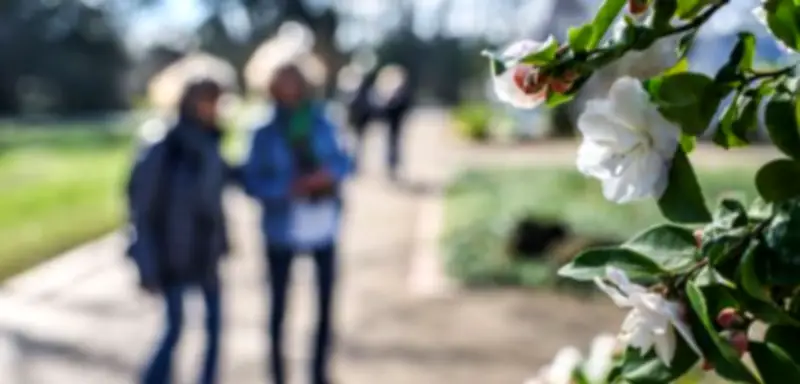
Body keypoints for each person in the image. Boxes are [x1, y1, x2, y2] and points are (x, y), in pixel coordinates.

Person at [241, 64, 351, 384]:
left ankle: (319, 374)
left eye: (295, 79)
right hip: (280, 228)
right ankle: (277, 375)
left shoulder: (323, 120)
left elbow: (345, 160)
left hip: (323, 224)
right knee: (278, 309)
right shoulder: (262, 129)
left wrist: (327, 175)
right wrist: (286, 188)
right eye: (282, 80)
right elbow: (251, 180)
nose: (289, 87)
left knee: (325, 309)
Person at [126, 79, 231, 384]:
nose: (212, 107)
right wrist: (146, 260)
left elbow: (221, 186)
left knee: (214, 329)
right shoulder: (163, 145)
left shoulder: (210, 142)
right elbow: (140, 209)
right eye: (206, 99)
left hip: (207, 253)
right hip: (172, 254)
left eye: (216, 100)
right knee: (175, 329)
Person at [371, 65, 413, 180]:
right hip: (391, 124)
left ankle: (392, 167)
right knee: (390, 145)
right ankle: (390, 167)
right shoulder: (389, 92)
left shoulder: (398, 92)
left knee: (393, 145)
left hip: (395, 124)